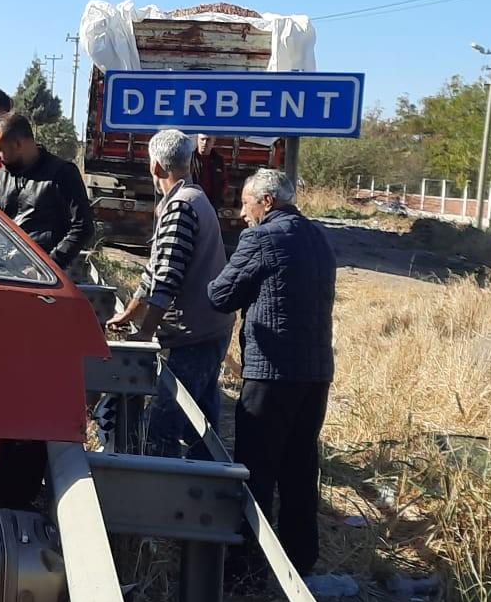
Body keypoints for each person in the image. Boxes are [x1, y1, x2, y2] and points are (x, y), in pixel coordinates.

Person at [208, 169, 337, 577]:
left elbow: (221, 295)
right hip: (315, 373)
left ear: (266, 202)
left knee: (257, 469)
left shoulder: (261, 237)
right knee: (300, 467)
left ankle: (247, 567)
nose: (241, 213)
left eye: (245, 203)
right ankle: (300, 561)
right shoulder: (318, 236)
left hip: (271, 373)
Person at [106, 128, 233, 459]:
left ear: (155, 166)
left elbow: (166, 279)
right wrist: (130, 312)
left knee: (162, 426)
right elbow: (155, 268)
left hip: (195, 334)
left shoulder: (180, 207)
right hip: (210, 328)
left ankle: (163, 499)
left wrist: (146, 333)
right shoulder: (191, 197)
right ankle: (211, 487)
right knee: (200, 425)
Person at [0, 114, 94, 268]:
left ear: (17, 144)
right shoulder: (2, 177)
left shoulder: (62, 173)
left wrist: (50, 265)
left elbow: (83, 227)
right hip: (4, 269)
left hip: (47, 276)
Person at [195, 133, 230, 211]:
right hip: (193, 203)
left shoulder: (218, 160)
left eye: (208, 140)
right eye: (202, 139)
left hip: (212, 205)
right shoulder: (190, 159)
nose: (204, 143)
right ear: (197, 139)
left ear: (214, 141)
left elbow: (224, 181)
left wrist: (219, 197)